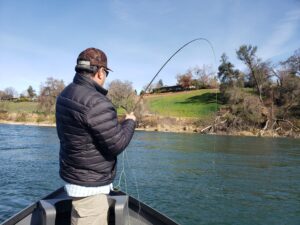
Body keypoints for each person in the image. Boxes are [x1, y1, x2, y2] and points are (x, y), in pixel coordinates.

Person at [55, 47, 136, 225]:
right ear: (100, 72)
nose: (105, 76)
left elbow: (86, 133)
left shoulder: (64, 95)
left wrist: (116, 124)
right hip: (90, 188)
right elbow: (118, 144)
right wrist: (130, 122)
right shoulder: (97, 103)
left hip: (74, 178)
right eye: (106, 72)